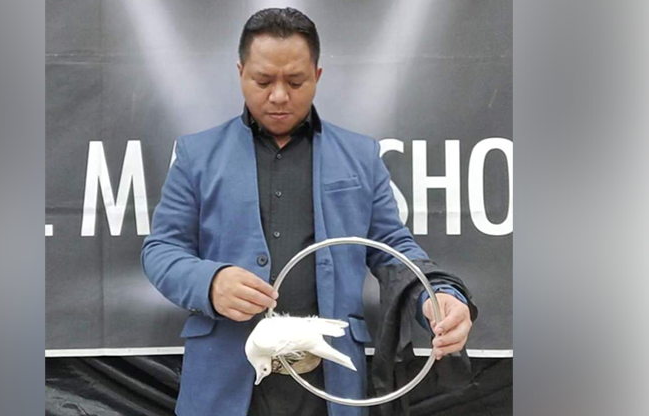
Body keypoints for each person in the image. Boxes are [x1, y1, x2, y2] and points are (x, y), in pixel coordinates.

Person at [141, 8, 474, 416]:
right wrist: (210, 282)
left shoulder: (360, 155)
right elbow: (161, 250)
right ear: (241, 72)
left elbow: (392, 248)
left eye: (295, 82)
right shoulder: (197, 155)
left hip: (330, 386)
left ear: (317, 75)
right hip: (223, 382)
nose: (279, 96)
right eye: (263, 81)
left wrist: (437, 295)